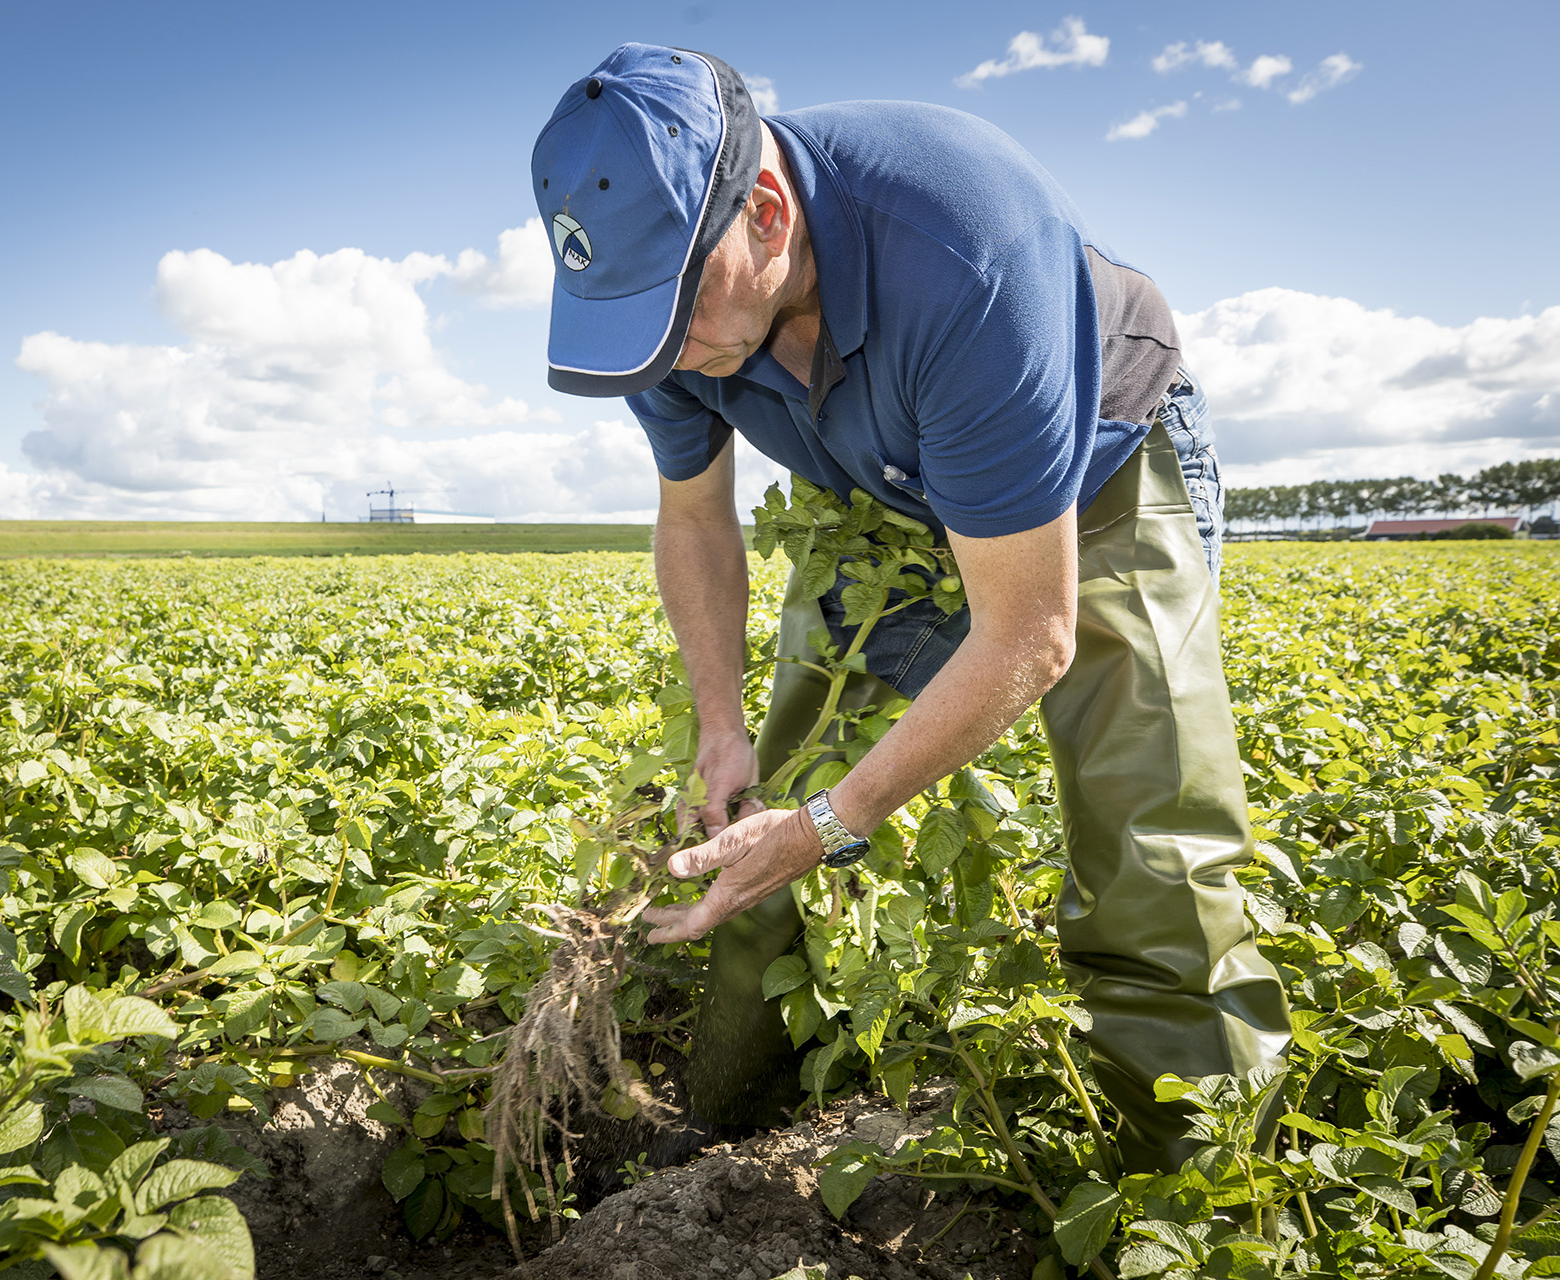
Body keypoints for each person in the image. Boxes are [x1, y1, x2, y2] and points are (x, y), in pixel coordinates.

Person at [529, 43, 1291, 1171]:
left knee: (1151, 841)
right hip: (878, 492)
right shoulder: (673, 313)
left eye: (675, 310)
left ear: (770, 212)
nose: (665, 350)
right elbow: (694, 516)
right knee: (763, 803)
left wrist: (839, 820)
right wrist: (723, 723)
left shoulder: (964, 253)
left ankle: (1204, 1197)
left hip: (1096, 473)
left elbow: (1030, 634)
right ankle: (722, 1137)